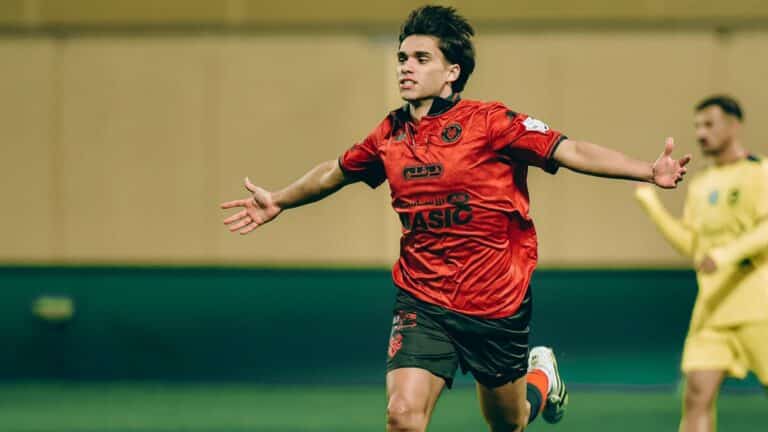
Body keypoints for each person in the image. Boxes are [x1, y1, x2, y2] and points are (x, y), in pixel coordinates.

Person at [221, 6, 690, 431]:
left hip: (496, 300)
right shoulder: (390, 133)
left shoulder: (491, 122)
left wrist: (647, 171)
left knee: (510, 423)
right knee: (402, 416)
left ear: (452, 71)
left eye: (421, 58)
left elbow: (571, 149)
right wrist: (279, 200)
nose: (406, 66)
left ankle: (541, 373)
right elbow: (335, 173)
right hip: (422, 298)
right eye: (403, 57)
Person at [635, 95, 768, 432]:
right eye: (697, 126)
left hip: (757, 307)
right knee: (696, 395)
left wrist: (725, 255)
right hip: (711, 310)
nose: (701, 132)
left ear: (734, 125)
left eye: (709, 124)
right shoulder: (701, 184)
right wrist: (652, 207)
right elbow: (693, 247)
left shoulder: (759, 172)